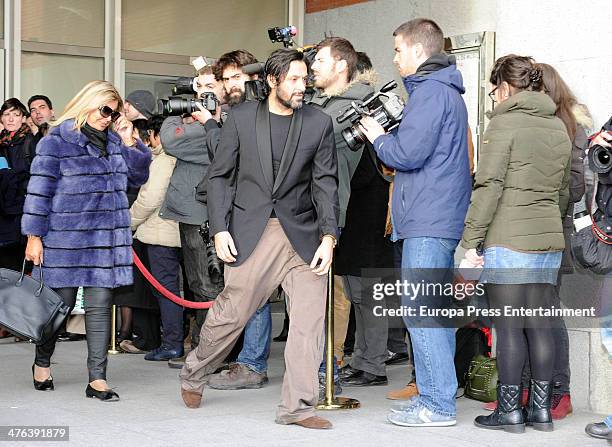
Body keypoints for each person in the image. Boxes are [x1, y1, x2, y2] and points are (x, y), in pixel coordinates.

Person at [179, 48, 339, 430]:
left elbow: (325, 183)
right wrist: (220, 228)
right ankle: (194, 371)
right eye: (295, 80)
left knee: (308, 323)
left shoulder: (318, 122)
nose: (303, 86)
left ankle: (298, 408)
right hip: (254, 231)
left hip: (305, 235)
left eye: (306, 79)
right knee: (231, 313)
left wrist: (330, 236)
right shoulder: (240, 118)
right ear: (272, 80)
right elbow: (220, 177)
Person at [359, 18, 471, 427]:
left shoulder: (431, 94)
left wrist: (377, 136)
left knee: (422, 312)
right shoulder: (443, 92)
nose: (394, 58)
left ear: (418, 52)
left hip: (428, 218)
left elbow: (407, 154)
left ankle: (438, 405)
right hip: (435, 217)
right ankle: (433, 395)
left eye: (397, 50)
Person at [21, 80, 152, 401]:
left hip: (105, 241)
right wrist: (34, 237)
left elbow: (138, 177)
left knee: (99, 308)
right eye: (105, 110)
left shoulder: (115, 141)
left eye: (115, 112)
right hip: (65, 239)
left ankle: (97, 379)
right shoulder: (57, 141)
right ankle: (42, 361)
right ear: (88, 104)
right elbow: (39, 191)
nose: (109, 117)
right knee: (57, 309)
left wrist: (131, 142)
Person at [461, 55, 571, 433]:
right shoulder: (558, 126)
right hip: (548, 241)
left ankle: (509, 412)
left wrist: (471, 239)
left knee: (509, 328)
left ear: (505, 88)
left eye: (494, 91)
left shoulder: (504, 124)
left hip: (509, 239)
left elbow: (488, 187)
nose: (494, 99)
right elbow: (563, 191)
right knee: (539, 326)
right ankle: (540, 412)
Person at [504, 62, 592, 420]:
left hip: (555, 234)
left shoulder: (571, 127)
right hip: (528, 233)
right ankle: (524, 391)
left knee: (546, 315)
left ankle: (560, 391)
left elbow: (574, 187)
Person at [195, 51, 275, 390]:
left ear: (255, 76)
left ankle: (257, 364)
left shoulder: (260, 111)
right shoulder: (238, 112)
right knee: (251, 294)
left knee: (265, 294)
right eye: (225, 79)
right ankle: (251, 363)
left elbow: (229, 154)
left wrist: (212, 124)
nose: (231, 85)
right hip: (246, 214)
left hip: (272, 216)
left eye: (237, 77)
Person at [129, 114, 183, 361]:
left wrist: (128, 221)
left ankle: (172, 343)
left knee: (167, 290)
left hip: (161, 234)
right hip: (171, 232)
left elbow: (150, 198)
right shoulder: (179, 155)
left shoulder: (165, 159)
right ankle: (173, 340)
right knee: (171, 289)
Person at [0, 98, 37, 271]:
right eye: (6, 114)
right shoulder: (2, 142)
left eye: (16, 115)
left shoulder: (29, 141)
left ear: (23, 118)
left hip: (21, 211)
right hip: (4, 210)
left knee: (18, 267)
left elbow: (35, 178)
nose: (11, 119)